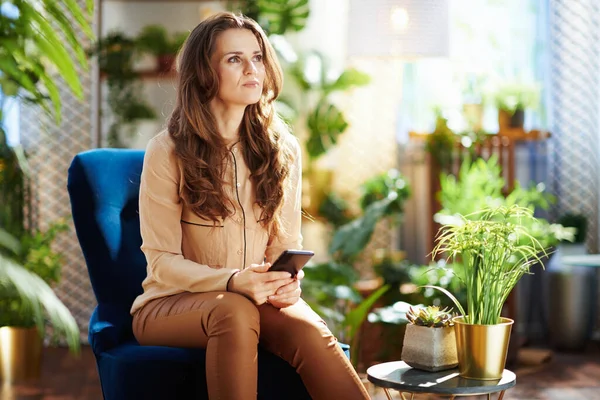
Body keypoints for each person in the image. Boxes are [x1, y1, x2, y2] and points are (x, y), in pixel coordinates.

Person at [130, 11, 370, 400]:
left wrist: (286, 284)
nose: (251, 69)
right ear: (204, 72)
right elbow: (161, 263)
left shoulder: (282, 150)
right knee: (235, 311)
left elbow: (283, 249)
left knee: (309, 330)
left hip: (252, 298)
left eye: (257, 57)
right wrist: (233, 281)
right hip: (168, 305)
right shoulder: (166, 151)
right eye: (234, 59)